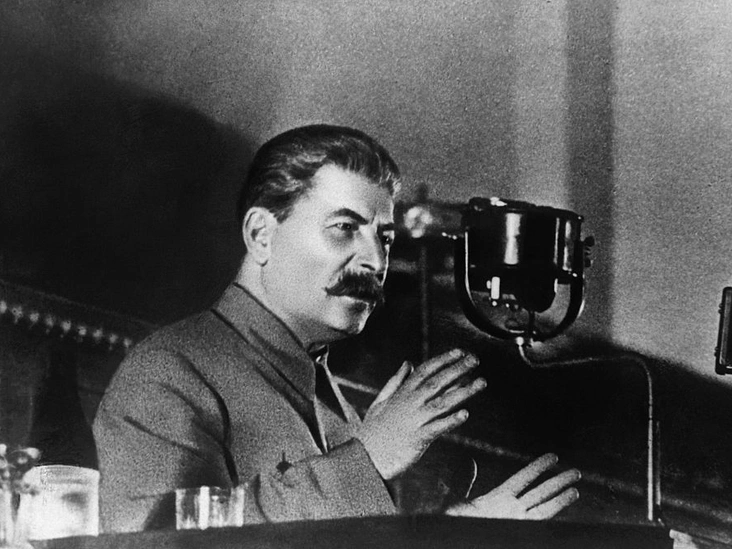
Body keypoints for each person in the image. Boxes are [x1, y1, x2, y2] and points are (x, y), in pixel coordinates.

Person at [92, 124, 580, 533]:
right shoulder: (167, 375)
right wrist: (367, 458)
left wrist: (455, 530)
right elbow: (160, 547)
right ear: (261, 234)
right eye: (344, 228)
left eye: (384, 238)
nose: (375, 260)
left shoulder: (337, 409)